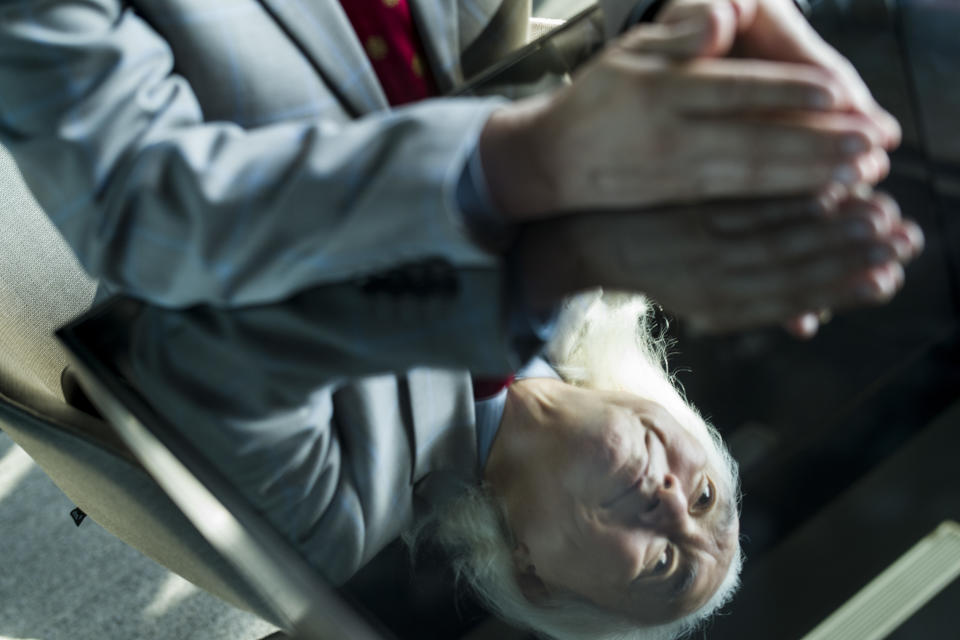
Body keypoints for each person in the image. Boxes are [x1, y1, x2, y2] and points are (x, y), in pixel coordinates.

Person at [0, 0, 923, 635]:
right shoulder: (588, 281)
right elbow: (551, 63)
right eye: (708, 497)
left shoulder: (333, 512)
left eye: (660, 564)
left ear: (533, 575)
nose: (676, 505)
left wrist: (540, 190)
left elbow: (206, 323)